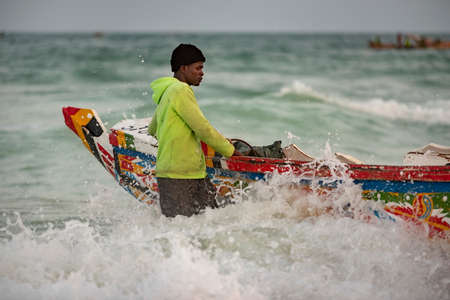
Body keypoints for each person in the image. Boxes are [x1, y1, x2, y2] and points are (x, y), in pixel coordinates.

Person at [148, 44, 240, 217]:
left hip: (181, 174)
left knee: (200, 227)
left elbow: (152, 129)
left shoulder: (167, 91)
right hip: (181, 177)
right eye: (198, 68)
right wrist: (230, 150)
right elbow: (202, 128)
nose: (202, 73)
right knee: (198, 228)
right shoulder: (181, 90)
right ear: (183, 68)